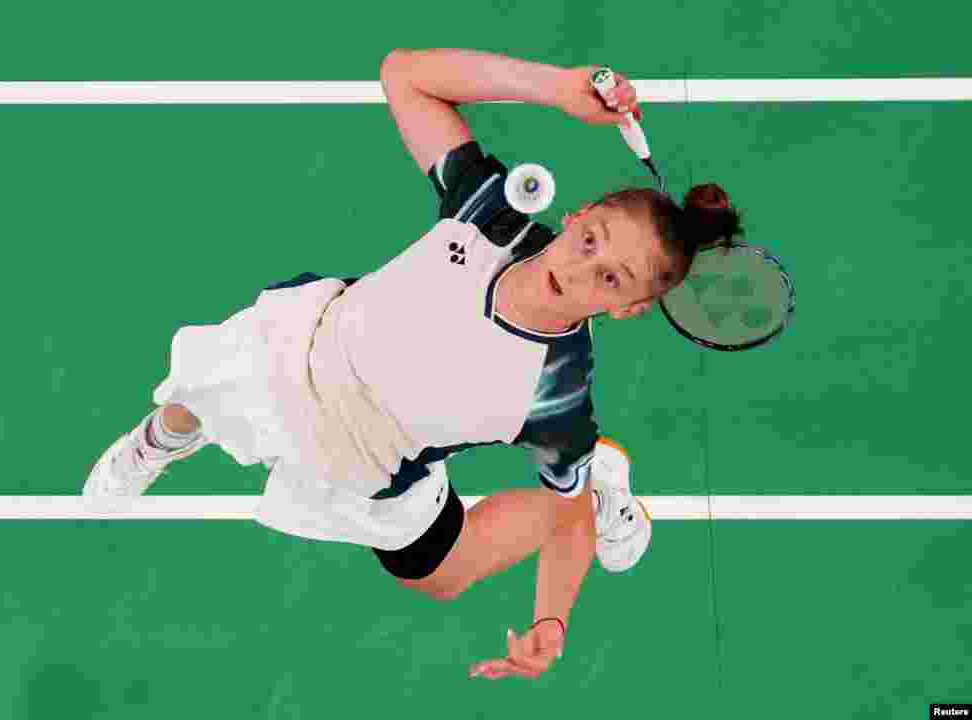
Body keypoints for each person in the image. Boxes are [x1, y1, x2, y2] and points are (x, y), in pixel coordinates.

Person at [83, 48, 744, 680]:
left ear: (625, 308)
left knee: (443, 576)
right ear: (576, 214)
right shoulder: (494, 214)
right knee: (199, 391)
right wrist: (557, 88)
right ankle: (156, 444)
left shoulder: (558, 392)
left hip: (371, 457)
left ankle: (596, 482)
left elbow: (561, 519)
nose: (577, 268)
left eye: (609, 278)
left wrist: (553, 620)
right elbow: (405, 76)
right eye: (590, 239)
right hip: (305, 347)